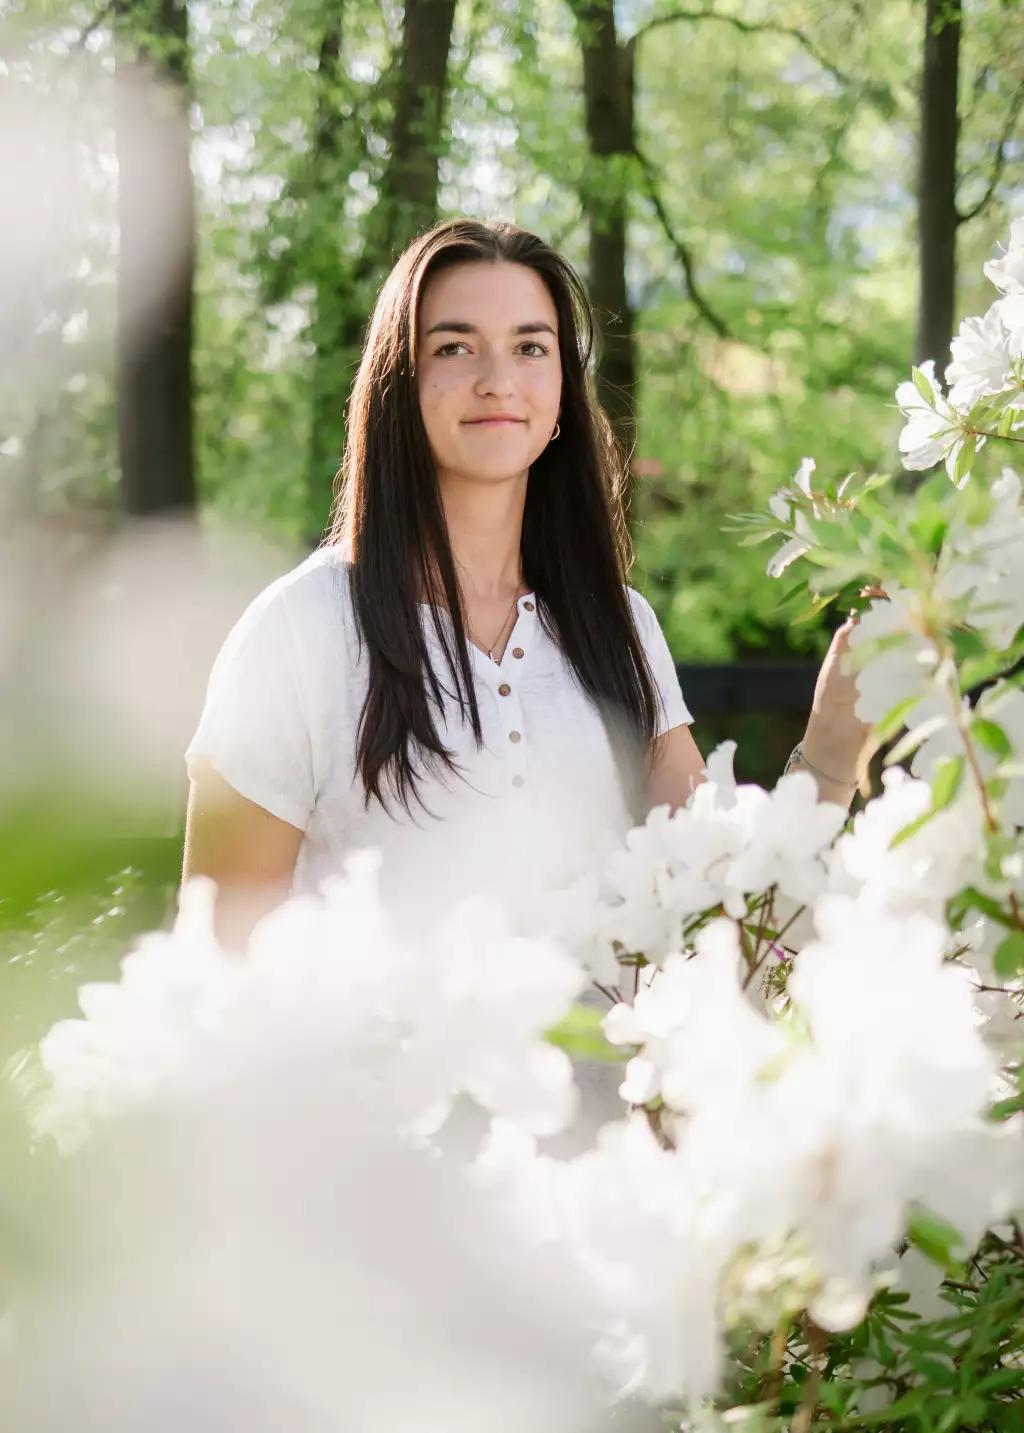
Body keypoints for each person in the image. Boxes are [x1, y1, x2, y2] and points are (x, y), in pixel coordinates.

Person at [182, 219, 868, 953]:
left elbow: (727, 930)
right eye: (454, 347)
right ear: (397, 381)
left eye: (530, 347)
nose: (497, 380)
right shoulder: (296, 632)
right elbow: (216, 968)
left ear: (564, 393)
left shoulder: (621, 627)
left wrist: (829, 756)